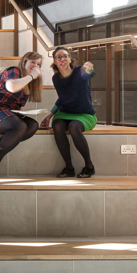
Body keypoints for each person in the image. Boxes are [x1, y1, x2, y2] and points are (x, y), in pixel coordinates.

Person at [0, 51, 43, 177]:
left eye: (39, 64)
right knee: (20, 126)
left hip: (7, 112)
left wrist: (19, 110)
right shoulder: (14, 71)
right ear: (25, 62)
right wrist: (32, 76)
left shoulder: (27, 83)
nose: (35, 66)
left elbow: (14, 102)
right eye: (33, 62)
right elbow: (12, 87)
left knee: (33, 125)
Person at [41, 47, 97, 178]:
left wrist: (89, 69)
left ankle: (89, 166)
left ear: (70, 59)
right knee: (58, 125)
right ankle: (69, 168)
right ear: (54, 61)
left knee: (73, 127)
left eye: (65, 56)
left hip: (85, 114)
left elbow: (88, 74)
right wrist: (50, 114)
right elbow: (62, 98)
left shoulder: (79, 72)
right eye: (58, 57)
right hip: (65, 112)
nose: (62, 59)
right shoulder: (56, 79)